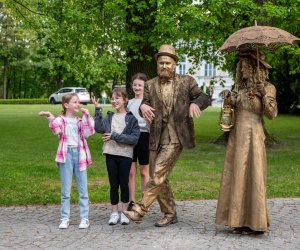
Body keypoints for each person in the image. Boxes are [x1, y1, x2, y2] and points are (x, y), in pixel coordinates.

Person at [124, 44, 210, 227]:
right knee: (161, 177)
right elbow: (143, 104)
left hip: (177, 136)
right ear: (157, 64)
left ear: (174, 64)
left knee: (157, 173)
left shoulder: (187, 81)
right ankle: (170, 213)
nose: (164, 66)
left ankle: (140, 209)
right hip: (155, 136)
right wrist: (143, 106)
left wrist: (196, 104)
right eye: (161, 63)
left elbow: (203, 97)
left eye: (168, 63)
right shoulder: (149, 85)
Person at [215, 50, 278, 234]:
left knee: (254, 174)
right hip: (237, 136)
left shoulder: (268, 87)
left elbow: (272, 114)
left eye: (244, 68)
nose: (241, 72)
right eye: (240, 68)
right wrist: (229, 98)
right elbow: (229, 111)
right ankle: (238, 220)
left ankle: (256, 222)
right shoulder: (238, 89)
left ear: (253, 69)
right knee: (237, 175)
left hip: (255, 135)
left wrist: (263, 95)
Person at [38, 93, 95, 229]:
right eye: (75, 102)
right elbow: (55, 129)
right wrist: (49, 116)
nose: (78, 104)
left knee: (83, 190)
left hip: (79, 154)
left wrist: (87, 116)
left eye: (78, 102)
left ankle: (84, 218)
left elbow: (88, 132)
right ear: (66, 105)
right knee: (66, 190)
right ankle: (64, 218)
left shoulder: (80, 121)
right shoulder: (61, 120)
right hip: (66, 155)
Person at [92, 88, 140, 225]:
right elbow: (99, 128)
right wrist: (98, 109)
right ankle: (114, 213)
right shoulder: (110, 117)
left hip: (125, 155)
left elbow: (133, 139)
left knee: (124, 184)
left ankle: (124, 212)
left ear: (125, 100)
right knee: (114, 185)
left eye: (117, 98)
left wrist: (114, 136)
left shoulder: (132, 119)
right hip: (110, 154)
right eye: (112, 98)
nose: (114, 101)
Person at [127, 73, 150, 209]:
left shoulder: (148, 103)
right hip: (131, 138)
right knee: (131, 171)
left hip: (144, 137)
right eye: (135, 85)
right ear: (132, 86)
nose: (137, 87)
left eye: (140, 85)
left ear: (144, 87)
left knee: (144, 172)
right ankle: (131, 201)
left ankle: (144, 201)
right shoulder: (129, 103)